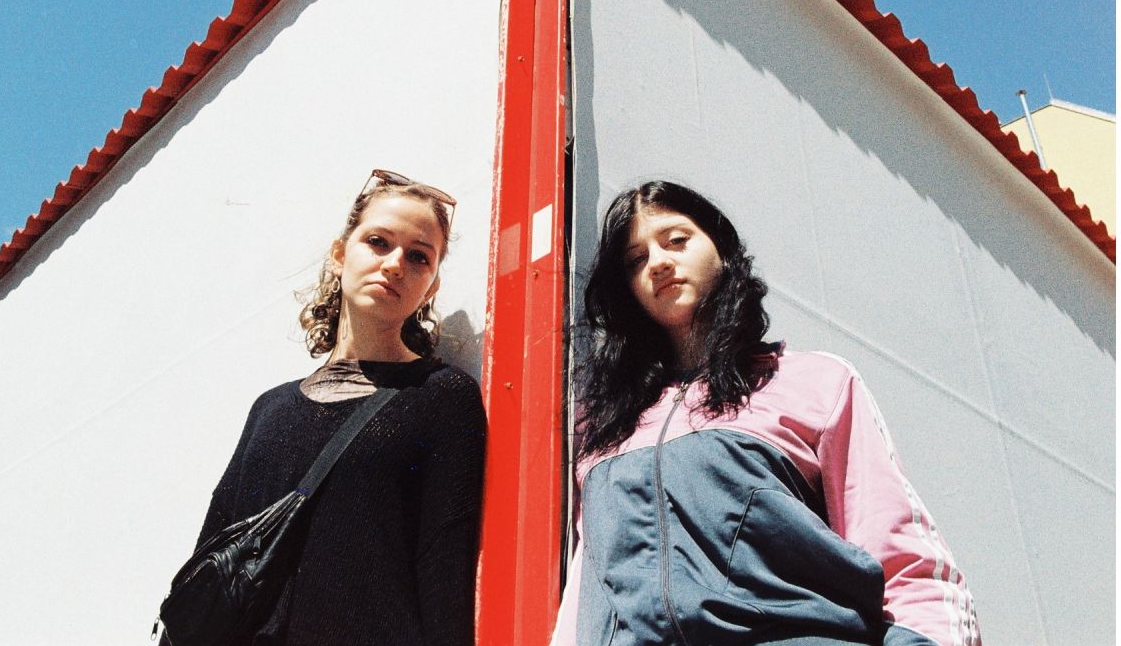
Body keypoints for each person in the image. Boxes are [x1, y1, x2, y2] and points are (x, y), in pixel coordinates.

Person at [552, 181, 980, 646]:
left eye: (676, 240)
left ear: (721, 249)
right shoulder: (604, 429)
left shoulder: (813, 383)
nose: (658, 262)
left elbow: (901, 553)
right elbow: (587, 588)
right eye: (636, 260)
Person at [172, 169, 486, 646]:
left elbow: (444, 570)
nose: (395, 264)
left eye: (419, 256)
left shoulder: (442, 397)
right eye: (378, 242)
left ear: (431, 287)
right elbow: (208, 563)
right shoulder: (270, 409)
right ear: (340, 256)